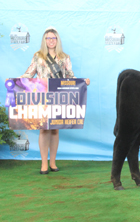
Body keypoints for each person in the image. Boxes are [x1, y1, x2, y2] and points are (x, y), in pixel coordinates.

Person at [20, 27, 90, 174]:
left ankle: (53, 162)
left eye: (53, 38)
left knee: (55, 130)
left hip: (58, 96)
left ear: (57, 40)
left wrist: (83, 82)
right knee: (44, 129)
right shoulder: (38, 56)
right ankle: (44, 164)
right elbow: (29, 73)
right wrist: (15, 81)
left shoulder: (64, 57)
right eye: (48, 38)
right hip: (42, 97)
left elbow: (70, 77)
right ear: (44, 40)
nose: (51, 41)